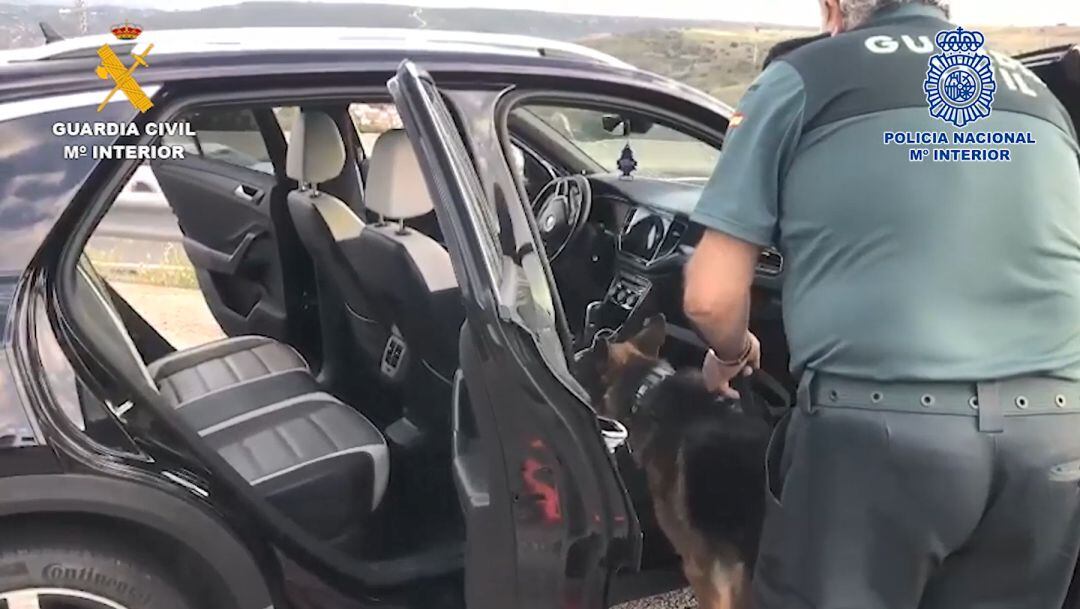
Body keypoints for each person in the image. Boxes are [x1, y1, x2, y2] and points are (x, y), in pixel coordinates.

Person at [682, 0, 1080, 607]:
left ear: (834, 9)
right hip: (1054, 438)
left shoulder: (805, 77)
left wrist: (730, 356)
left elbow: (710, 298)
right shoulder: (1039, 96)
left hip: (880, 437)